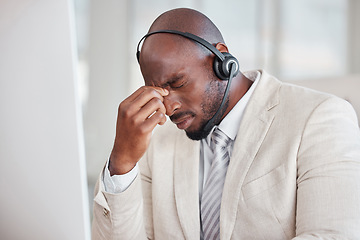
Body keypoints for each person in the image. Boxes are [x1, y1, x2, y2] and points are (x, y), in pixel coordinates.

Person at [91, 8, 360, 240]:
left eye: (177, 83)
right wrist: (122, 163)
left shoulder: (320, 118)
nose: (168, 106)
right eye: (157, 90)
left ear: (222, 61)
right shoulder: (153, 140)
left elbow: (331, 235)